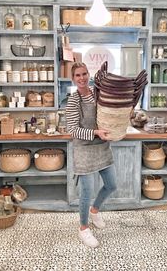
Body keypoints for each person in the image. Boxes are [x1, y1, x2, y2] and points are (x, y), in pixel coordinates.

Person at [66, 62, 117, 248]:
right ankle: (83, 228)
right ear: (73, 78)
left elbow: (108, 113)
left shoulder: (97, 94)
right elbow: (72, 130)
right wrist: (95, 133)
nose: (82, 78)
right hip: (84, 149)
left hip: (102, 146)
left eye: (84, 74)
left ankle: (94, 211)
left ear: (89, 74)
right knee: (86, 191)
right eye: (78, 75)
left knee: (112, 185)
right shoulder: (73, 100)